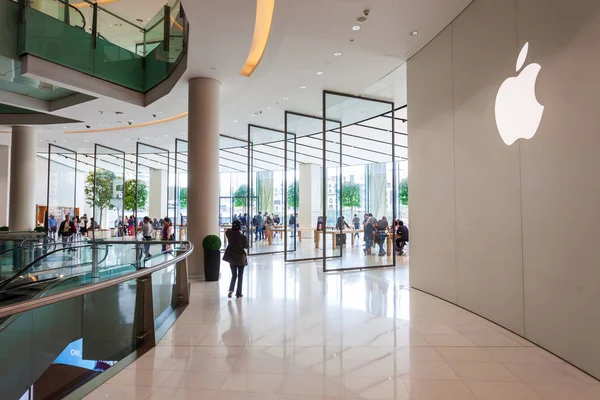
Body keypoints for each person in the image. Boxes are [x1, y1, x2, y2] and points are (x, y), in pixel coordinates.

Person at [223, 220, 249, 299]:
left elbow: (227, 231)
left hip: (232, 258)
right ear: (240, 227)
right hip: (240, 258)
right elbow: (246, 246)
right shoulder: (242, 237)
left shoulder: (229, 234)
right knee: (240, 276)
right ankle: (238, 293)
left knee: (234, 275)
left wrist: (233, 229)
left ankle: (231, 290)